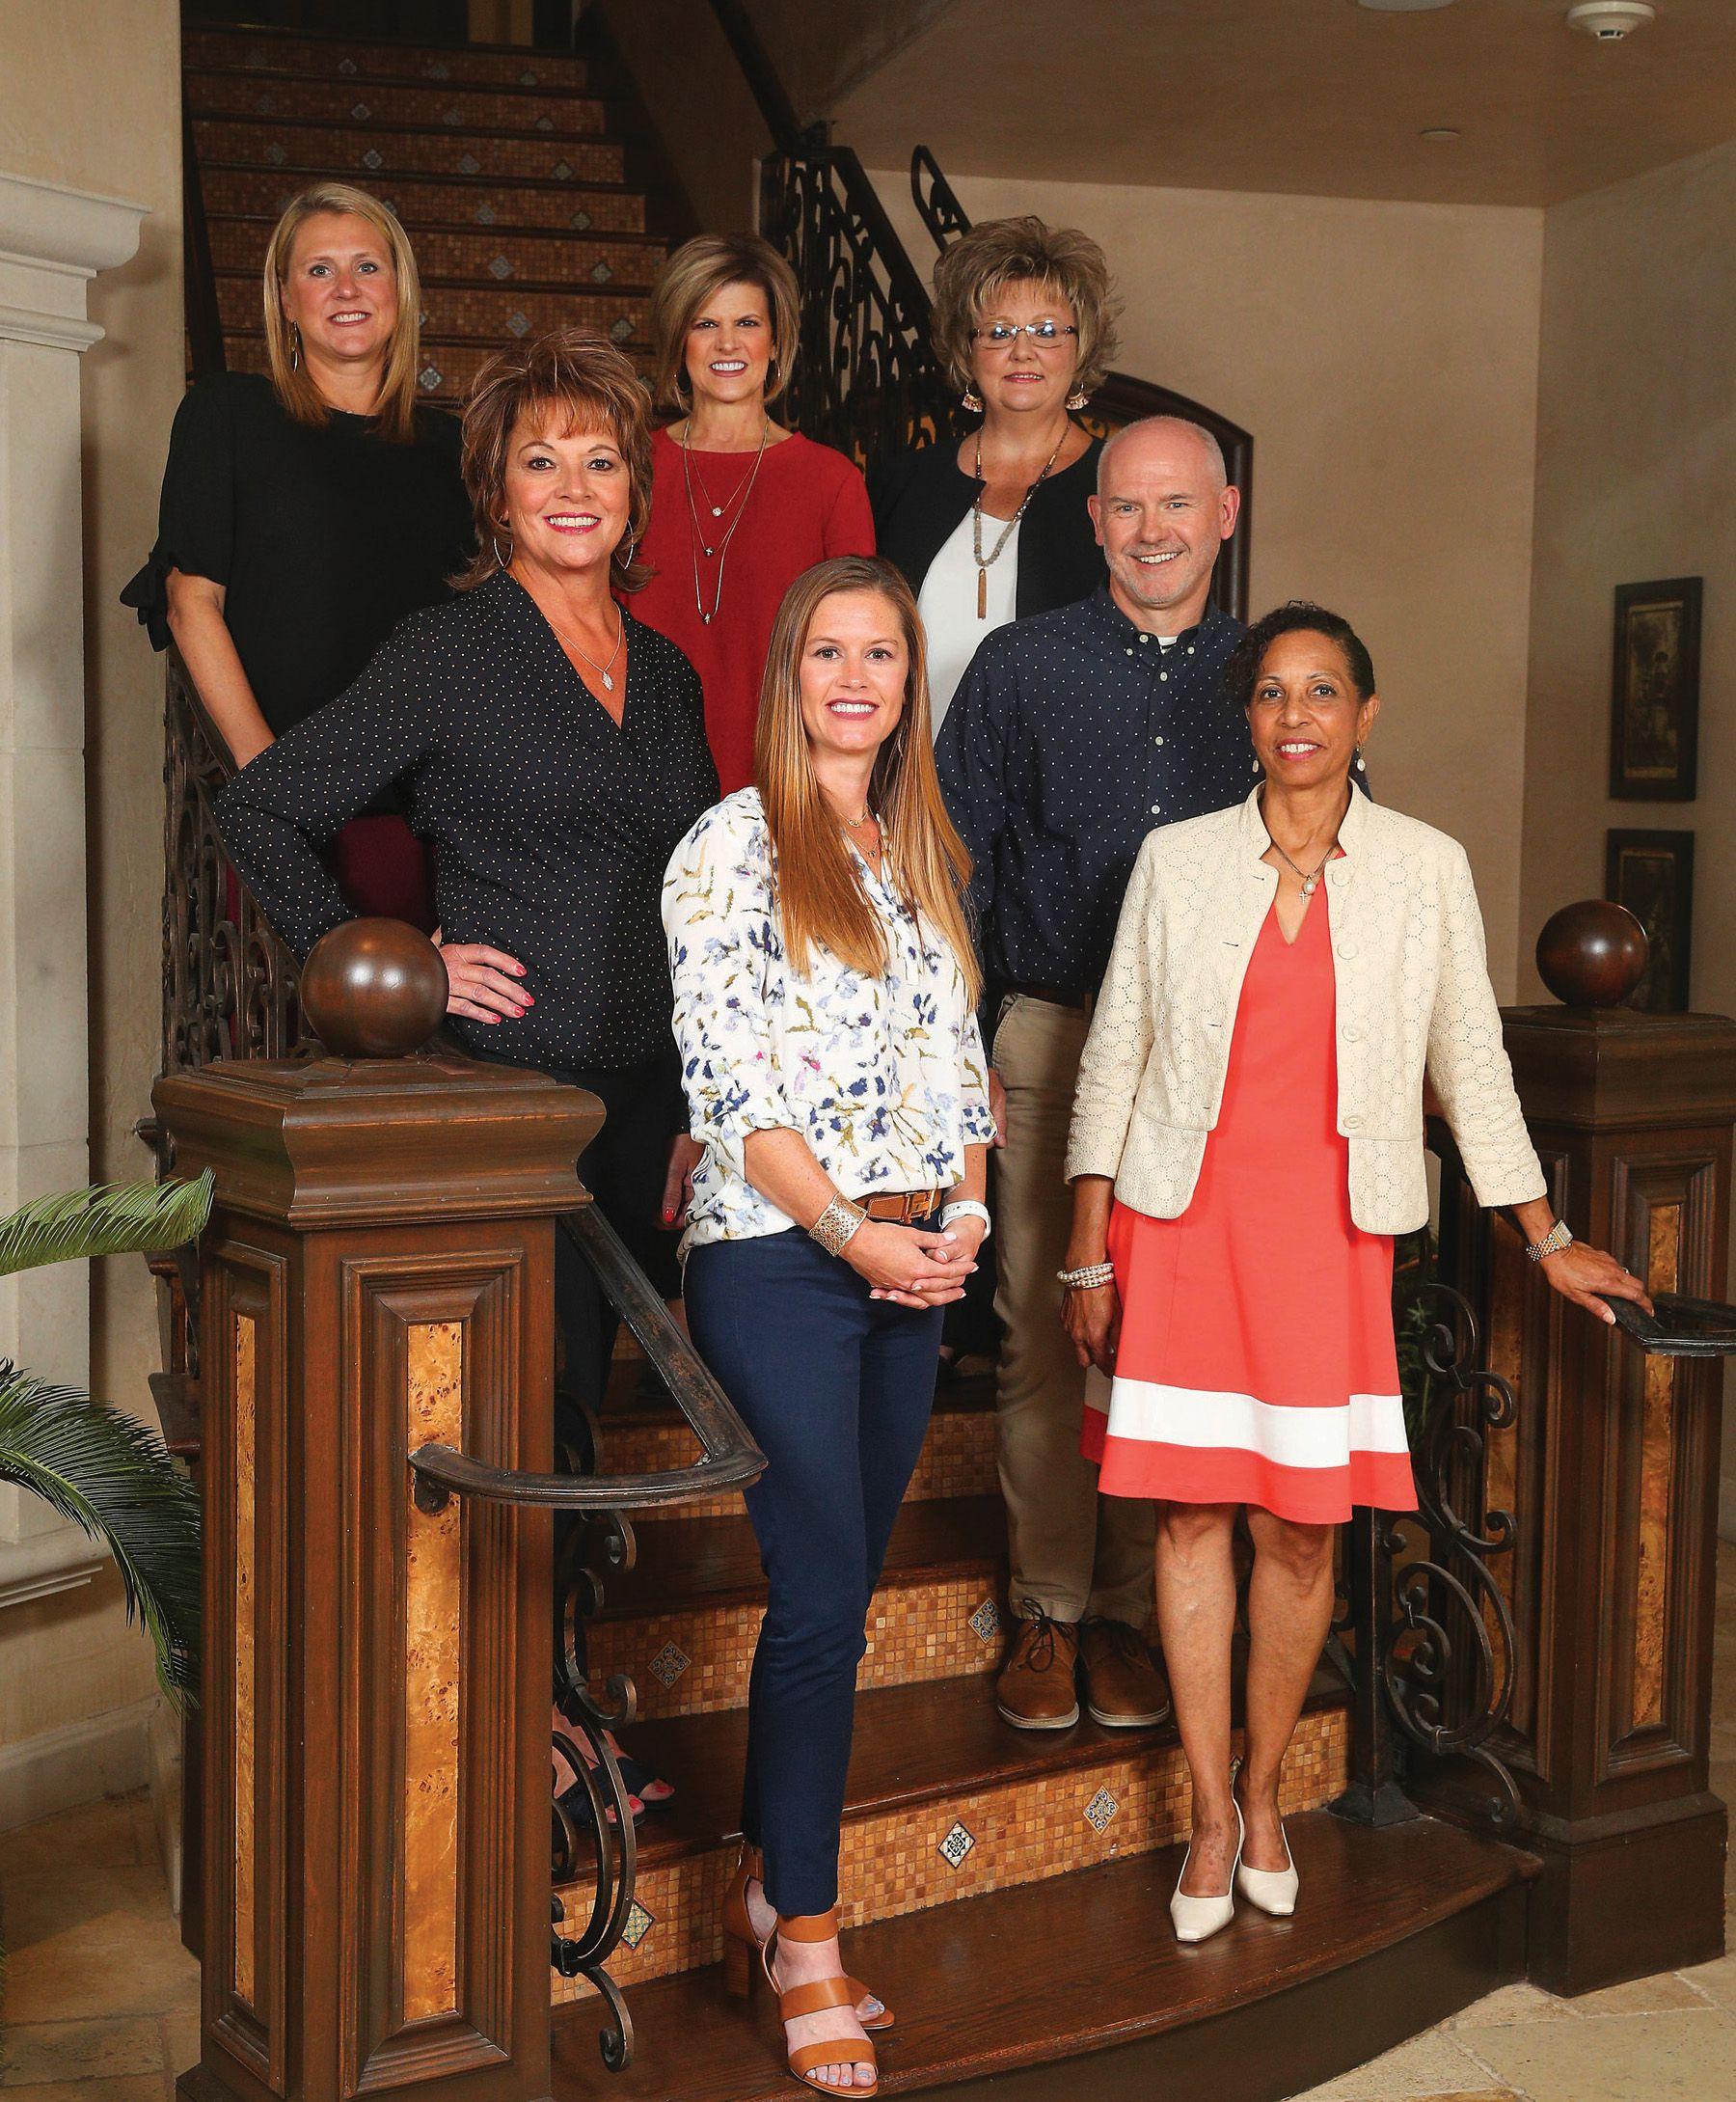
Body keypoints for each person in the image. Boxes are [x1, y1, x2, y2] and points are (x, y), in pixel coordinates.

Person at [1064, 601, 1651, 1944]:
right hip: (1183, 1225)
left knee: (1300, 1526)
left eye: (1322, 690)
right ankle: (1209, 1817)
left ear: (1365, 714)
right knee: (1189, 1517)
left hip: (1331, 1238)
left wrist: (1547, 1235)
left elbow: (1472, 1064)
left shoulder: (1426, 869)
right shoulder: (1176, 860)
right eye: (1273, 691)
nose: (1297, 715)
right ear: (1248, 717)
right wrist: (1086, 1249)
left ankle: (1268, 1793)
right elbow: (1115, 1053)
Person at [212, 327, 719, 1819]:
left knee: (593, 1411)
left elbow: (702, 888)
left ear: (634, 489)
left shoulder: (669, 671)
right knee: (527, 1423)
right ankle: (533, 1736)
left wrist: (711, 1098)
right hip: (514, 1110)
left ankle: (556, 1705)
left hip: (651, 1105)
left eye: (601, 458)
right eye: (540, 460)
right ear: (494, 492)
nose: (574, 486)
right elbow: (262, 806)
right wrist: (403, 961)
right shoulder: (446, 655)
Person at [665, 556, 994, 2094]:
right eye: (828, 651)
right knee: (815, 1597)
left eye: (882, 652)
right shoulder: (731, 845)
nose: (856, 677)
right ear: (788, 673)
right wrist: (858, 1235)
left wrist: (966, 1221)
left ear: (909, 679)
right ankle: (805, 1929)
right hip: (785, 1258)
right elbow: (733, 1091)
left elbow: (963, 1069)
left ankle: (764, 1880)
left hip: (918, 1255)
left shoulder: (921, 849)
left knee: (844, 1596)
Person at [935, 415, 1250, 1735]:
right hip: (1052, 1036)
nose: (1152, 530)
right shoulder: (1021, 666)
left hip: (1219, 1062)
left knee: (1173, 1341)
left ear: (1224, 513)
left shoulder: (1273, 675)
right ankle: (1051, 1609)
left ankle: (1130, 1611)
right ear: (1094, 520)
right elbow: (947, 861)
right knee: (1043, 1330)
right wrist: (961, 1049)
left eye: (1177, 504)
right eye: (1126, 506)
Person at [124, 180, 473, 925]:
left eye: (367, 266)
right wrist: (278, 796)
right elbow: (190, 605)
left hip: (431, 823)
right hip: (283, 811)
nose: (346, 289)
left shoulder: (455, 448)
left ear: (400, 290)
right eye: (319, 270)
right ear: (284, 298)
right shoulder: (228, 414)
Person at [635, 233, 875, 796]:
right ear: (679, 340)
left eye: (747, 323)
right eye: (705, 324)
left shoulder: (832, 482)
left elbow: (853, 654)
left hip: (783, 780)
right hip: (637, 774)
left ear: (775, 340)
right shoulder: (628, 467)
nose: (728, 343)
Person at [870, 214, 1117, 738]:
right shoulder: (903, 483)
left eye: (1047, 331)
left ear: (1081, 347)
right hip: (907, 774)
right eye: (999, 332)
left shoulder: (1118, 487)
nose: (1022, 351)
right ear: (967, 349)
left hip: (1065, 777)